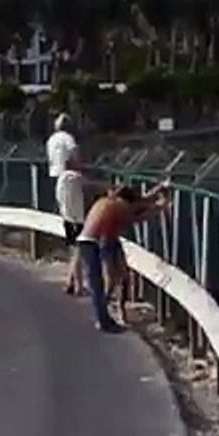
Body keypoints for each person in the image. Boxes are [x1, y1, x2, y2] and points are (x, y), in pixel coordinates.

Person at [75, 183, 170, 332]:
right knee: (99, 283)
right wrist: (159, 207)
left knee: (109, 280)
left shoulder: (109, 201)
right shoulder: (120, 206)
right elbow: (136, 217)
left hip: (101, 239)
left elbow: (139, 203)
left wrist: (156, 193)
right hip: (96, 241)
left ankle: (106, 315)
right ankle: (104, 320)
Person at [46, 114, 87, 295]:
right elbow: (75, 156)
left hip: (59, 183)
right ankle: (78, 283)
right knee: (79, 233)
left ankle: (72, 279)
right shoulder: (68, 139)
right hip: (71, 181)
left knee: (71, 231)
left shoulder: (51, 140)